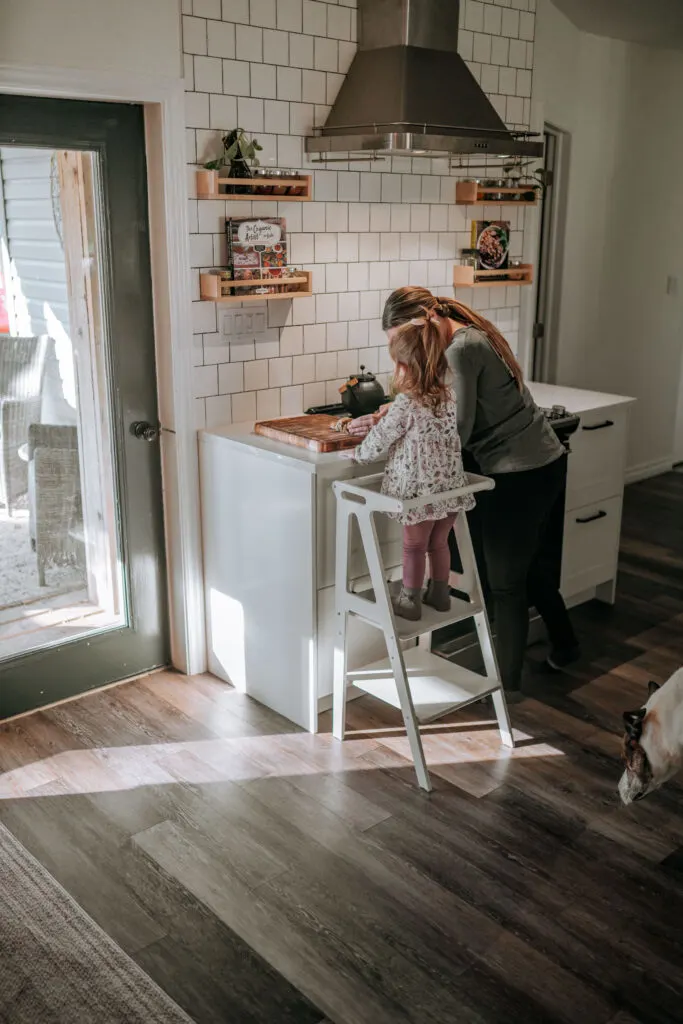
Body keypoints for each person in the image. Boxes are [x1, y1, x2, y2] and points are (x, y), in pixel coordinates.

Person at [348, 286, 580, 691]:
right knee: (533, 571)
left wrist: (400, 425)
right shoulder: (464, 335)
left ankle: (505, 690)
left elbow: (458, 428)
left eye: (406, 342)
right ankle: (566, 646)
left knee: (505, 582)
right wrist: (398, 410)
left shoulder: (460, 348)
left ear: (426, 323)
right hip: (543, 461)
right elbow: (444, 401)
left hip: (519, 471)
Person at [348, 312, 475, 622]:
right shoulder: (448, 396)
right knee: (439, 543)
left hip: (420, 493)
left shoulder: (407, 402)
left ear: (404, 367)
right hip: (448, 490)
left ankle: (409, 600)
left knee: (414, 546)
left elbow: (381, 437)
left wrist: (359, 454)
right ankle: (440, 593)